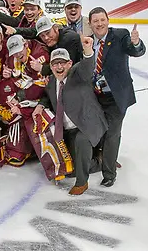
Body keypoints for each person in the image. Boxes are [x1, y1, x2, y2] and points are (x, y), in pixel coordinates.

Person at [35, 42, 107, 196]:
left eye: (62, 63)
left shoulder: (77, 74)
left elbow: (87, 66)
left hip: (86, 125)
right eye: (55, 64)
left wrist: (88, 51)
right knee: (69, 170)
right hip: (67, 130)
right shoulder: (52, 82)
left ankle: (82, 183)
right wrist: (41, 105)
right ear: (51, 66)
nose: (59, 67)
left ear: (70, 64)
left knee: (82, 142)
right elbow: (48, 97)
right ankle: (101, 160)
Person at [89, 7, 146, 187]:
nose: (99, 24)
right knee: (99, 132)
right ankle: (99, 158)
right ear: (90, 24)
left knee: (112, 134)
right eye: (95, 21)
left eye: (102, 20)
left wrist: (136, 43)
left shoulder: (120, 35)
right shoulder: (88, 41)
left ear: (108, 21)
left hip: (116, 96)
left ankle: (109, 173)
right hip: (96, 96)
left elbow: (135, 50)